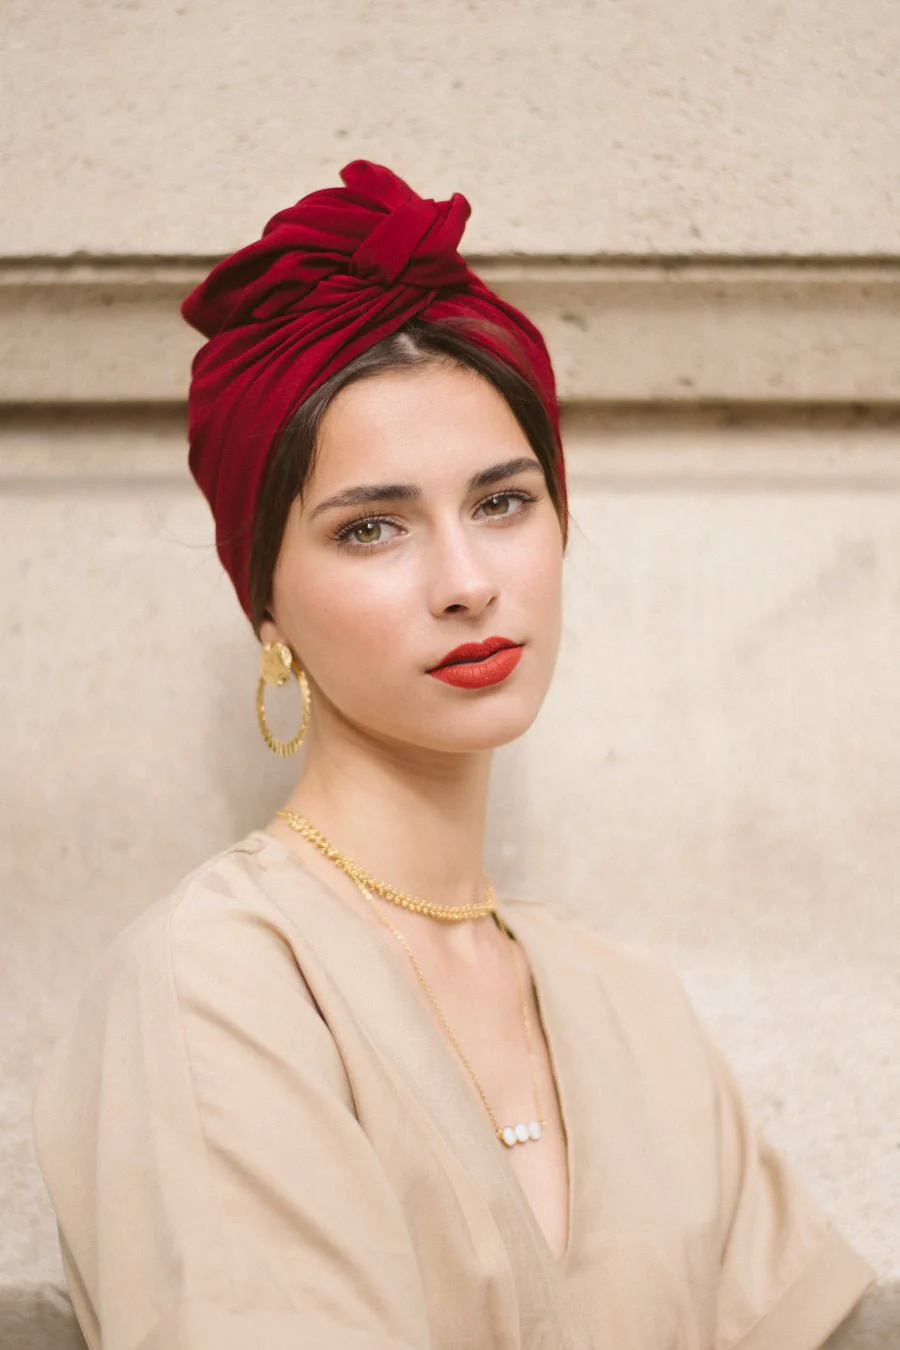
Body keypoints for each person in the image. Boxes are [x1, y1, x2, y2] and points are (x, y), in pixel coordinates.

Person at [34, 162, 874, 1350]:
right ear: (266, 604)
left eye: (502, 502)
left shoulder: (631, 1007)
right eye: (371, 528)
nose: (467, 581)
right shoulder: (216, 984)